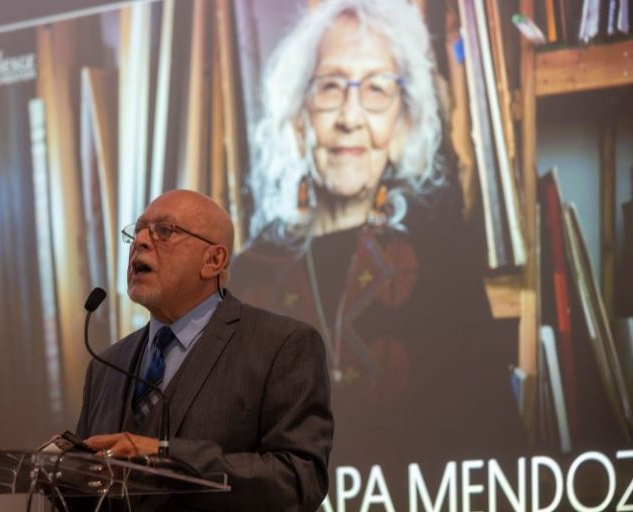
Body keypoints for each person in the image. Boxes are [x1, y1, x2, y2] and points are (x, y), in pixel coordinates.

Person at [230, 0, 526, 500]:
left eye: (375, 89)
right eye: (330, 87)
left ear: (404, 123)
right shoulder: (245, 276)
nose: (350, 117)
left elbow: (495, 448)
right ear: (299, 115)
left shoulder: (443, 263)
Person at [76, 189, 333, 511]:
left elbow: (297, 479)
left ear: (214, 261)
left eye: (164, 231)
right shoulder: (106, 365)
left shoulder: (282, 345)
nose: (140, 241)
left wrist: (164, 455)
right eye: (138, 231)